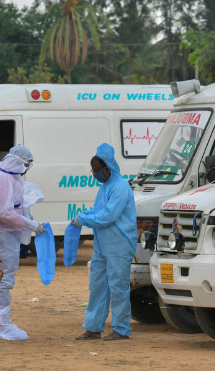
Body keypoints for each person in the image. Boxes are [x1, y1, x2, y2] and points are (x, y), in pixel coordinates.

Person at [73, 143, 136, 341]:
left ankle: (121, 329)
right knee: (98, 286)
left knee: (118, 287)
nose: (95, 174)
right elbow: (99, 211)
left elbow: (109, 216)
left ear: (107, 168)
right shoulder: (106, 187)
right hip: (102, 246)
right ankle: (93, 328)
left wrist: (84, 220)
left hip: (118, 244)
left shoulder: (120, 187)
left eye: (97, 170)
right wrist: (86, 214)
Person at [0, 145, 45, 340]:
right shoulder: (6, 178)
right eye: (26, 164)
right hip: (3, 235)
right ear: (18, 161)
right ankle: (1, 326)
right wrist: (31, 225)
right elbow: (4, 213)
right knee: (3, 278)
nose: (26, 168)